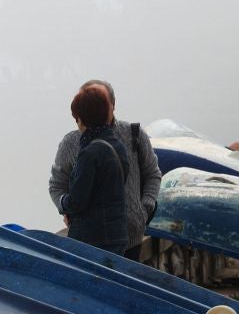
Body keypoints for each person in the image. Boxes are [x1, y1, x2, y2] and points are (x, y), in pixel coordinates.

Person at [49, 79, 163, 261]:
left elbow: (152, 174)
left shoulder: (132, 134)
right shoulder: (71, 143)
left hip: (129, 236)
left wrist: (144, 209)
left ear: (112, 105)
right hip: (96, 239)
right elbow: (57, 184)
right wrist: (66, 212)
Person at [58, 86, 131, 255]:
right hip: (116, 234)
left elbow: (78, 201)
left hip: (93, 240)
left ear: (81, 120)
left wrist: (63, 202)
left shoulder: (90, 153)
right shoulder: (118, 146)